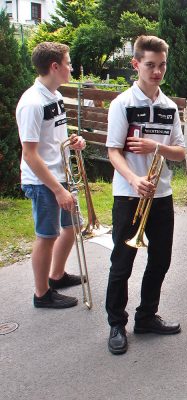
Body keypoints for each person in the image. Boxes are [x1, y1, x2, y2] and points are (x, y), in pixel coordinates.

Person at [105, 35, 186, 355]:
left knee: (161, 260)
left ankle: (147, 315)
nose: (157, 72)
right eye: (150, 65)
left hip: (161, 194)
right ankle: (116, 323)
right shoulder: (122, 104)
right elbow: (113, 151)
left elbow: (179, 153)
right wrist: (133, 179)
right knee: (122, 262)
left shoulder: (168, 107)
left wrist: (156, 147)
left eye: (162, 65)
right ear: (136, 64)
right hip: (129, 194)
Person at [17, 42, 86, 309]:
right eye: (68, 63)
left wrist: (73, 140)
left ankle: (56, 276)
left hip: (61, 174)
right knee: (47, 236)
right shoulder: (32, 103)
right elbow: (30, 154)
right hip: (44, 182)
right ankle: (42, 293)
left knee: (73, 226)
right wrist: (57, 189)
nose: (71, 67)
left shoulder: (54, 96)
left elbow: (53, 137)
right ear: (54, 67)